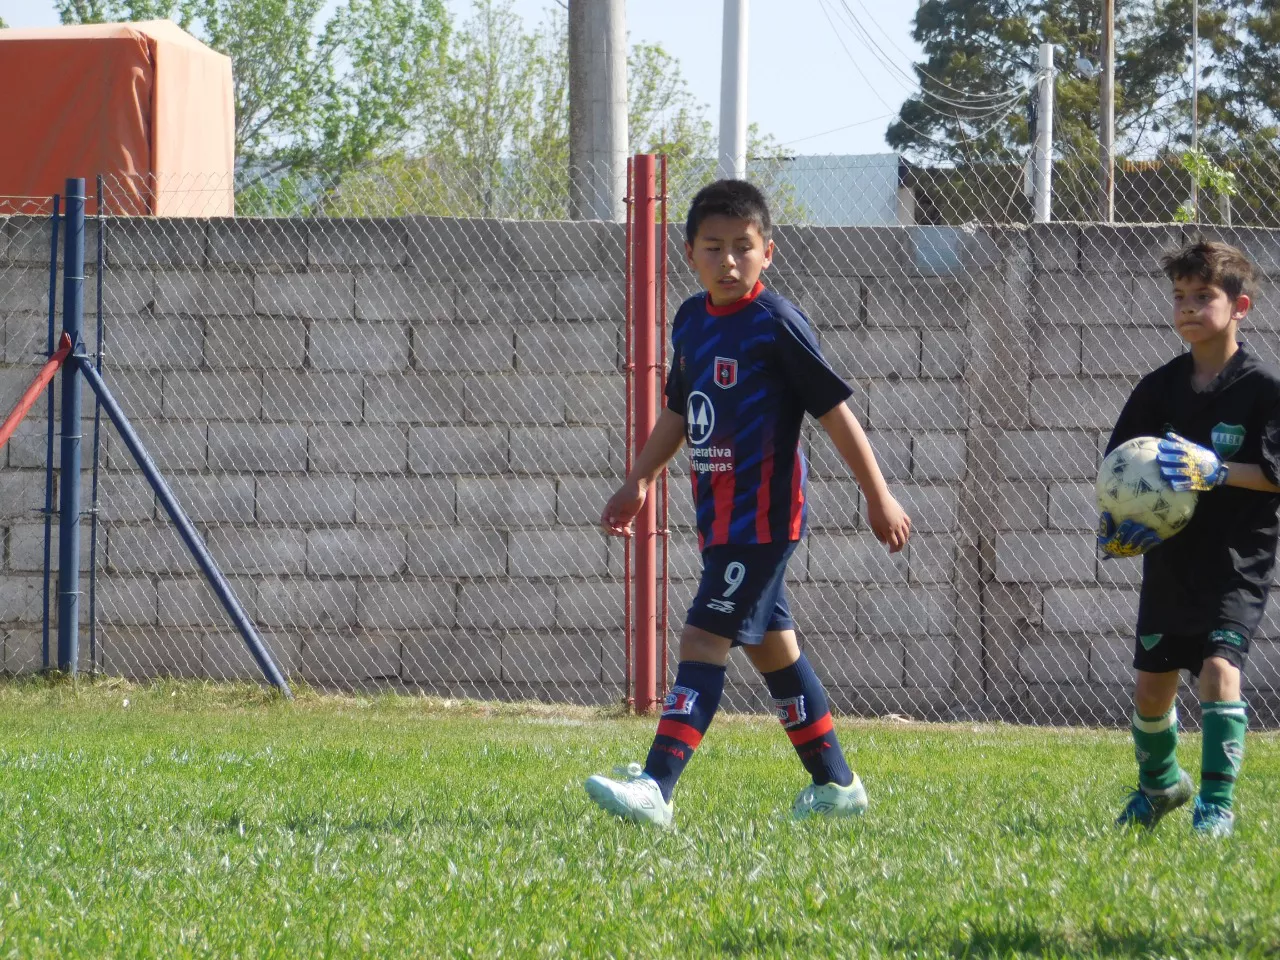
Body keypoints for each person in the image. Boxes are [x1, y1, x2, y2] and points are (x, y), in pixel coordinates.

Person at [585, 179, 912, 828]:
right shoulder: (692, 320)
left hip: (761, 524)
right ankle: (836, 785)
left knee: (704, 636)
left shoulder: (776, 325)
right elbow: (681, 408)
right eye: (714, 248)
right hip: (720, 521)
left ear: (769, 251)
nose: (728, 261)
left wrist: (879, 496)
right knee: (774, 651)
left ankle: (657, 786)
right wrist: (641, 479)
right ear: (689, 253)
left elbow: (835, 414)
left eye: (743, 247)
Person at [1099, 240, 1277, 838]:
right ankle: (1162, 786)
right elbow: (1120, 466)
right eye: (1180, 297)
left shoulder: (1264, 388)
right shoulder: (1158, 388)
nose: (1189, 308)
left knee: (1218, 670)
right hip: (1171, 561)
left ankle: (1216, 807)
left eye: (1204, 297)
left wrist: (1221, 471)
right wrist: (1120, 528)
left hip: (1236, 560)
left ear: (1240, 306)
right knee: (1152, 690)